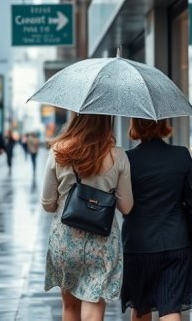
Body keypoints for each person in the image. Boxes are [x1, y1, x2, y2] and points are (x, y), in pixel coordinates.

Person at [41, 114, 133, 321]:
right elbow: (126, 207)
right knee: (93, 303)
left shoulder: (59, 151)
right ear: (106, 121)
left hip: (65, 240)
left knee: (70, 305)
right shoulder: (117, 155)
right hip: (101, 243)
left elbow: (47, 203)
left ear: (76, 119)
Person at [121, 118, 192, 321]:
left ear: (135, 126)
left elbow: (123, 204)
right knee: (171, 308)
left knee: (141, 307)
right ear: (164, 124)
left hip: (138, 245)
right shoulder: (181, 155)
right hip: (176, 242)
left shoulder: (127, 159)